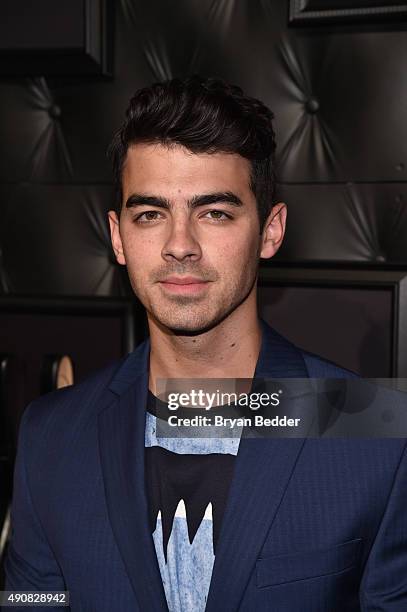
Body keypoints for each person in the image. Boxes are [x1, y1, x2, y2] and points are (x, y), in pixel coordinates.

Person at [3, 76, 407, 612]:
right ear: (118, 237)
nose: (179, 246)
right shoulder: (51, 437)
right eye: (150, 215)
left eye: (214, 213)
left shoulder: (375, 432)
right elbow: (31, 602)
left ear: (270, 230)